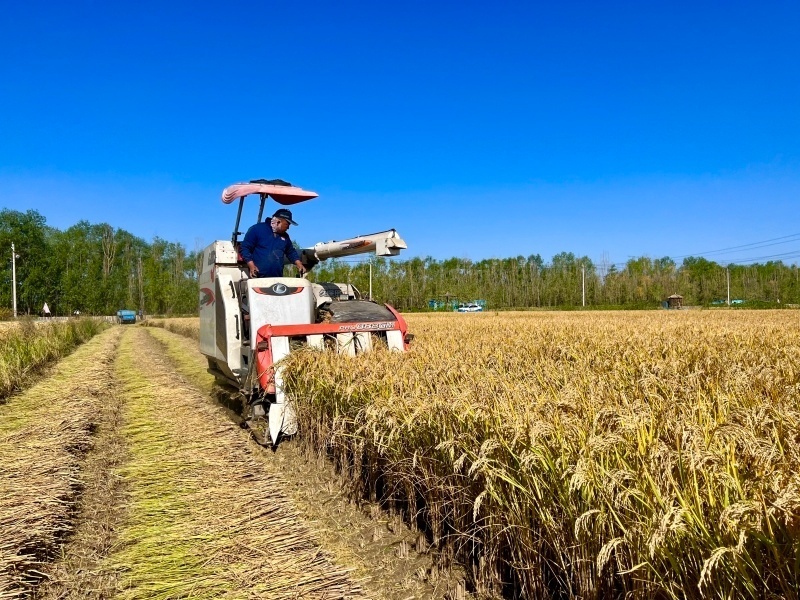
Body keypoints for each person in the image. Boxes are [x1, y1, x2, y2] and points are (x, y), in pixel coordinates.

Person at [240, 208, 307, 278]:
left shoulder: (285, 236)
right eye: (287, 224)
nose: (288, 228)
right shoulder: (257, 229)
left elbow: (291, 252)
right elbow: (245, 248)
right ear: (278, 222)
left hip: (277, 279)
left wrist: (299, 264)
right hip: (258, 277)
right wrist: (251, 265)